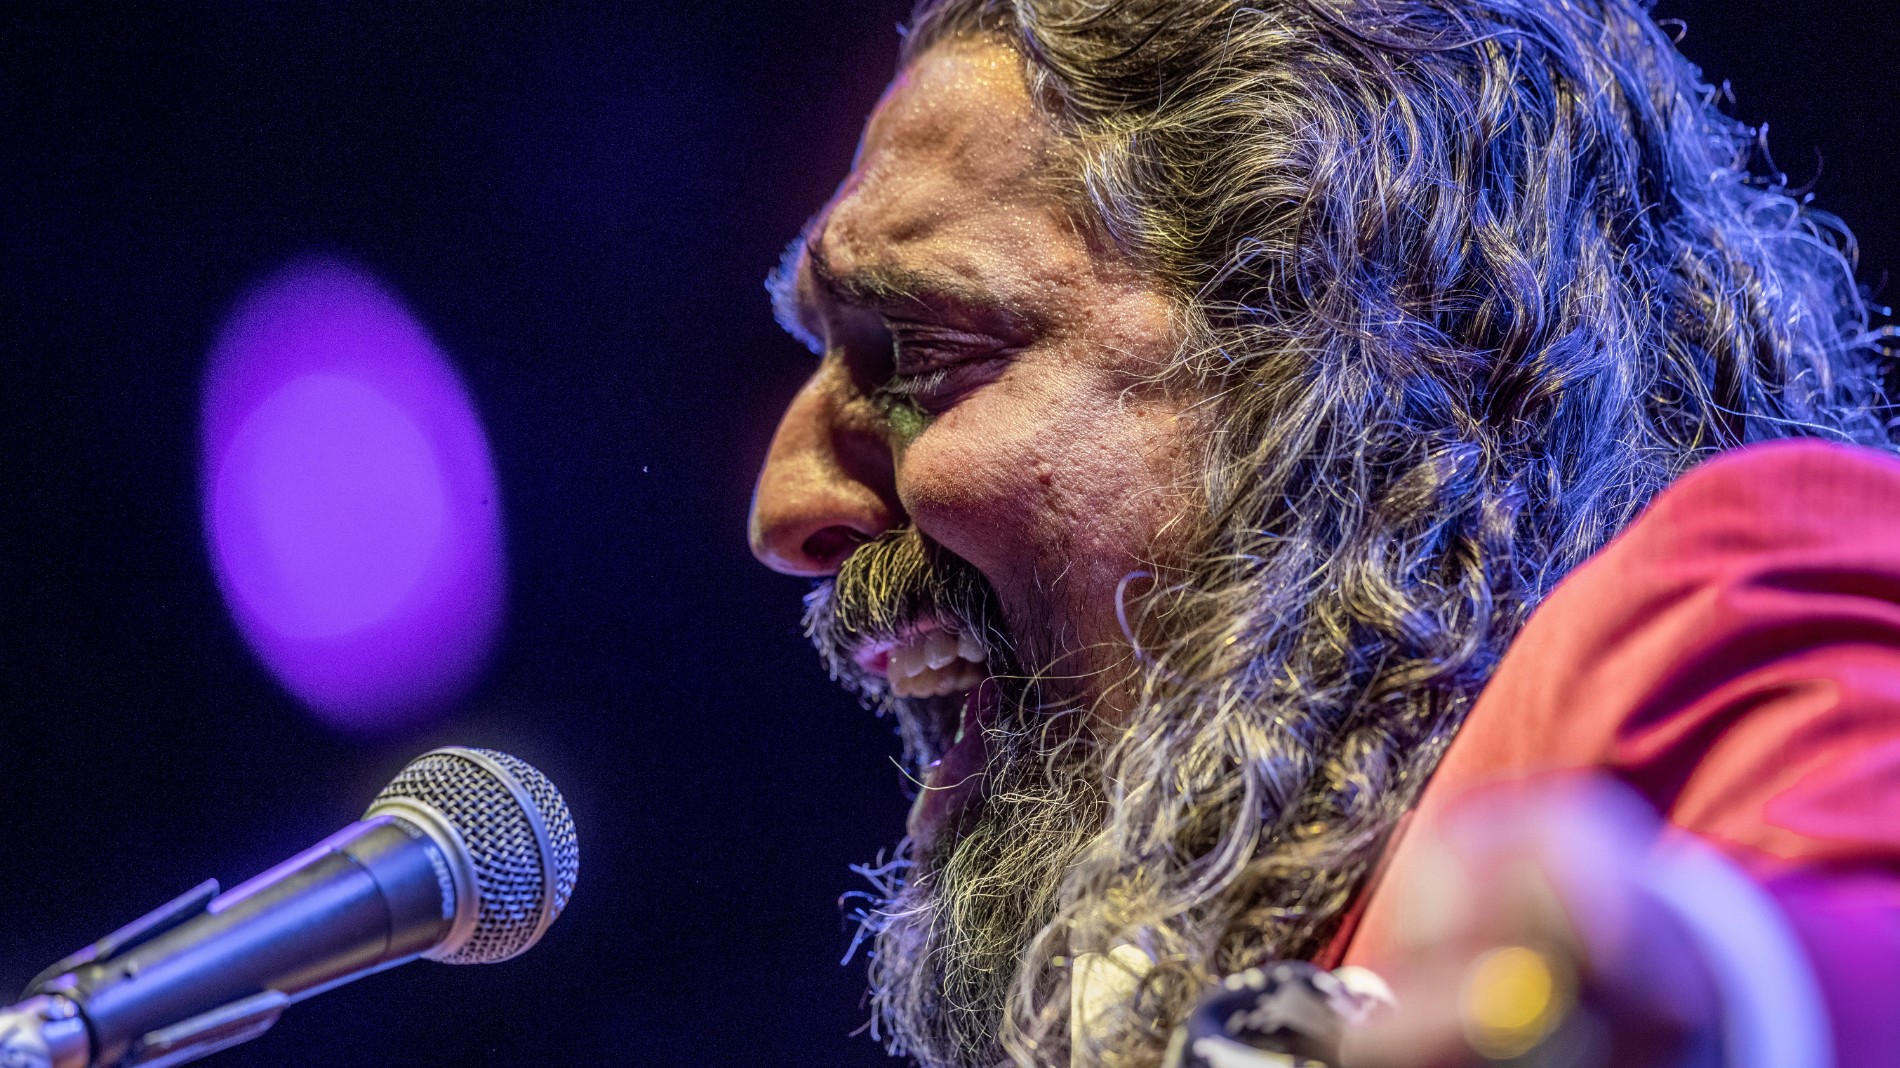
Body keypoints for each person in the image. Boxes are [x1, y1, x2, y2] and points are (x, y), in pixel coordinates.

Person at [746, 2, 1900, 1066]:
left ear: (1353, 362)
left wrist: (1705, 993)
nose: (782, 511)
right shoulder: (1243, 980)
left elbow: (1839, 936)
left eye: (929, 353)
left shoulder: (1721, 605)